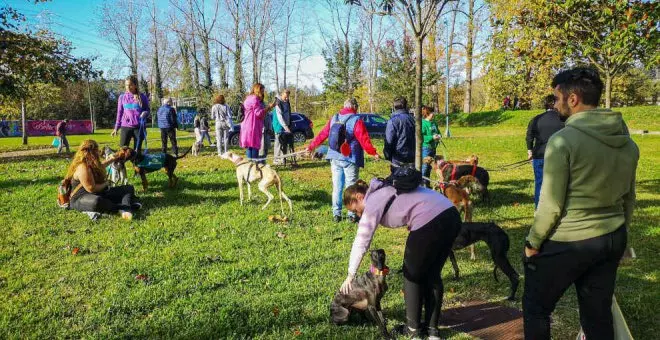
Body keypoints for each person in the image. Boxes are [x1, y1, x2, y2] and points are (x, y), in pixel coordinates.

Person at [523, 67, 639, 340]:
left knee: (536, 307)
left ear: (572, 99)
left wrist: (532, 242)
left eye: (556, 98)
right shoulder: (628, 143)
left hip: (572, 240)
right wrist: (622, 234)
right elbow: (629, 198)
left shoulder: (562, 141)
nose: (554, 104)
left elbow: (550, 204)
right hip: (612, 237)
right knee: (598, 314)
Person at [340, 178, 461, 339]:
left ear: (359, 197)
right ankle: (433, 331)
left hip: (429, 221)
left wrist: (350, 274)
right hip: (451, 216)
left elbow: (362, 240)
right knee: (432, 275)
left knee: (411, 275)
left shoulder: (372, 201)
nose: (358, 215)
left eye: (356, 210)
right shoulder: (385, 189)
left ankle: (413, 330)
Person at [306, 98, 379, 223]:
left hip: (334, 156)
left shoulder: (334, 118)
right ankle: (352, 214)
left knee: (337, 186)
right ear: (354, 107)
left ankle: (336, 214)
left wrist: (311, 146)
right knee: (351, 187)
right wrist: (373, 152)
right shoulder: (356, 120)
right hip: (350, 158)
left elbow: (323, 134)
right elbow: (364, 139)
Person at [66, 140, 141, 221]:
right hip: (81, 198)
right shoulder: (82, 167)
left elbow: (101, 166)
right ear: (90, 152)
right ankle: (123, 207)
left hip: (99, 193)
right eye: (96, 150)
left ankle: (124, 208)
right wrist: (107, 183)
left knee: (129, 188)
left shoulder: (91, 162)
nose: (98, 152)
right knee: (96, 201)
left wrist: (115, 157)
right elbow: (91, 188)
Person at [525, 94, 564, 208]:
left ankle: (539, 208)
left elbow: (529, 137)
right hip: (558, 155)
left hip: (540, 155)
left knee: (539, 183)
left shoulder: (536, 119)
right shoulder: (563, 119)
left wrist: (530, 151)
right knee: (558, 184)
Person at [112, 75, 150, 153]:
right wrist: (116, 128)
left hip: (139, 128)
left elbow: (147, 110)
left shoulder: (142, 97)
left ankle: (136, 165)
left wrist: (145, 113)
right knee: (122, 152)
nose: (128, 87)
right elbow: (119, 113)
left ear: (135, 85)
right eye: (126, 85)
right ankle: (121, 165)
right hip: (126, 127)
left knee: (137, 152)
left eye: (130, 85)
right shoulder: (122, 97)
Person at [240, 83, 277, 162]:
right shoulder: (255, 99)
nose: (263, 93)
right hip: (253, 126)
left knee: (250, 147)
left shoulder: (248, 98)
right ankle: (255, 167)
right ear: (257, 90)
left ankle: (250, 166)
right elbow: (259, 113)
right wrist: (269, 107)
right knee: (255, 147)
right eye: (262, 91)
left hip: (247, 125)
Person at [384, 97, 415, 172]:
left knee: (398, 180)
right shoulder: (413, 119)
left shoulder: (392, 121)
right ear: (405, 106)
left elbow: (389, 141)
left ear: (394, 107)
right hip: (412, 156)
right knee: (411, 179)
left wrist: (387, 155)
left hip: (398, 157)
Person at [272, 89, 297, 167]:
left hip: (286, 125)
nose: (287, 98)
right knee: (279, 143)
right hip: (279, 126)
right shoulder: (278, 103)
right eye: (285, 97)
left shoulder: (287, 102)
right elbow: (280, 117)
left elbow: (288, 114)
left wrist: (289, 124)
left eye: (288, 97)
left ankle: (283, 159)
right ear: (282, 94)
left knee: (285, 144)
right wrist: (285, 127)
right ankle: (276, 160)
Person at [421, 106, 441, 187]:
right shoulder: (422, 123)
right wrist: (431, 137)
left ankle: (427, 184)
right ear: (427, 114)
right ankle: (421, 185)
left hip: (433, 148)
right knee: (425, 167)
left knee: (430, 167)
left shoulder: (434, 123)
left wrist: (439, 136)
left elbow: (438, 132)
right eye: (433, 112)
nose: (434, 114)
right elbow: (421, 137)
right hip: (426, 148)